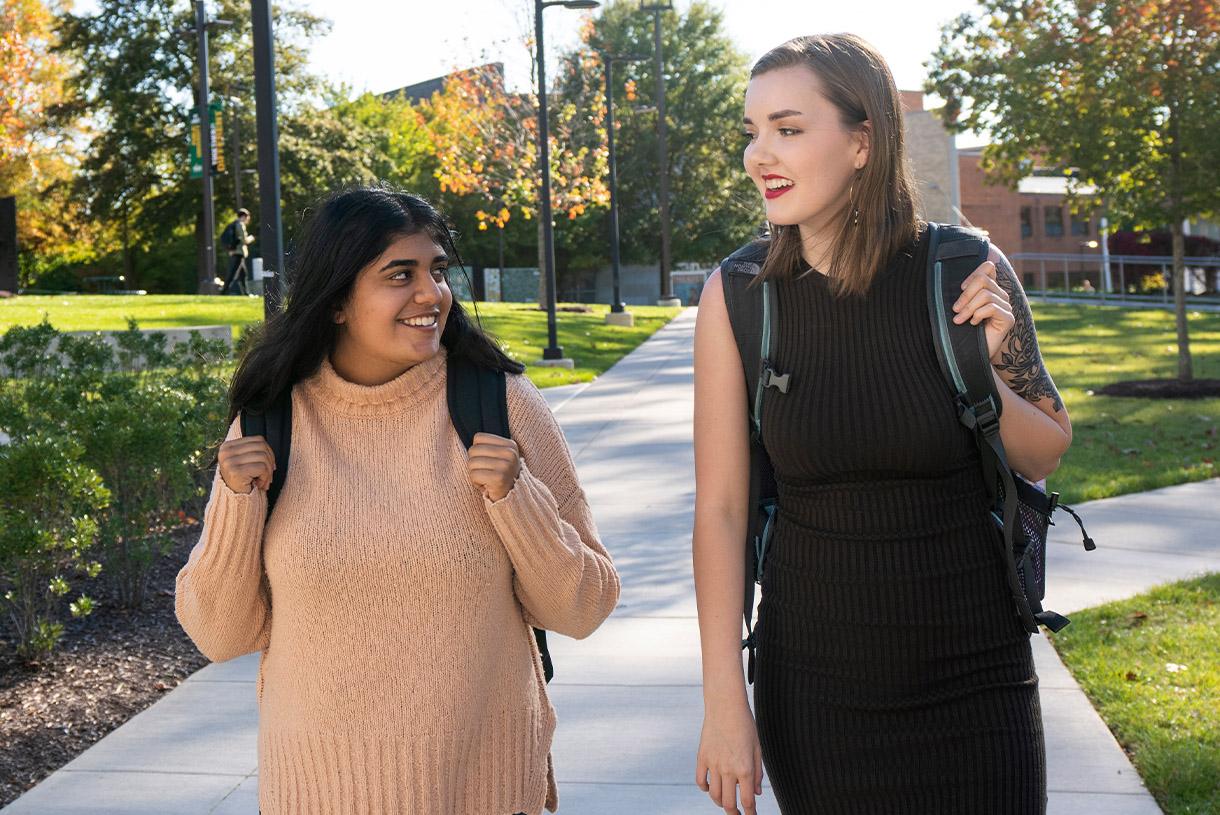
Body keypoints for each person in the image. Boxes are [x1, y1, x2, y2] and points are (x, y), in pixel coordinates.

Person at [692, 34, 1072, 815]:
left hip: (979, 677)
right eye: (752, 131)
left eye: (788, 129)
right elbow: (723, 511)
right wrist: (725, 702)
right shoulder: (737, 297)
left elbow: (1045, 453)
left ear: (862, 142)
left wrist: (988, 372)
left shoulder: (965, 266)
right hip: (818, 688)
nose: (759, 154)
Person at [176, 186, 620, 815]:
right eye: (399, 275)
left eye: (438, 270)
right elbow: (221, 633)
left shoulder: (500, 406)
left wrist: (515, 497)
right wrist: (234, 501)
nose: (431, 294)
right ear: (335, 301)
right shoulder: (271, 422)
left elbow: (582, 607)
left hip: (484, 791)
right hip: (316, 795)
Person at [220, 208, 255, 295]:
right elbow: (244, 241)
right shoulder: (240, 225)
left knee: (243, 275)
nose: (248, 220)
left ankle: (246, 293)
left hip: (235, 252)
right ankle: (223, 291)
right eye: (247, 218)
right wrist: (251, 238)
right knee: (232, 274)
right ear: (244, 216)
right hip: (238, 253)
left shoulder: (233, 224)